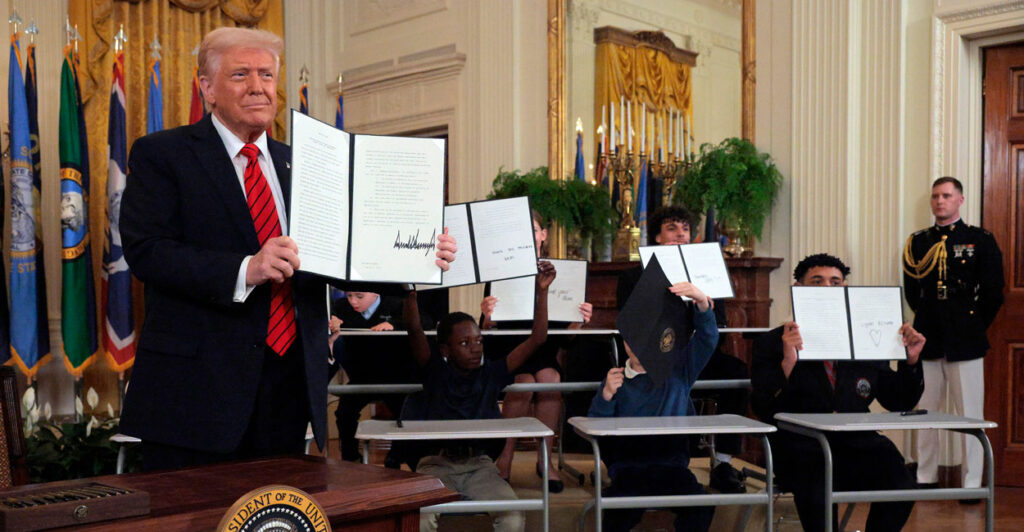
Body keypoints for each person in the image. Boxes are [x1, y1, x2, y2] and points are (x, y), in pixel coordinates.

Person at [118, 27, 457, 471]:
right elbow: (148, 251)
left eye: (266, 75)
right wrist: (246, 268)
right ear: (207, 87)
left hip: (289, 384)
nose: (257, 87)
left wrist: (415, 255)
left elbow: (342, 255)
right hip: (196, 394)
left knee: (280, 515)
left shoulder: (305, 163)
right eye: (240, 75)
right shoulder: (162, 154)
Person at [751, 253, 927, 532]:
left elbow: (899, 400)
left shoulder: (864, 340)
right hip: (801, 445)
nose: (826, 289)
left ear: (845, 291)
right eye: (816, 282)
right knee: (817, 486)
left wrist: (911, 362)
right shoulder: (772, 342)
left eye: (835, 283)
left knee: (900, 480)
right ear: (799, 289)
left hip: (856, 442)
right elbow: (763, 405)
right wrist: (788, 362)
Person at [403, 261, 556, 532]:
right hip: (436, 465)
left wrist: (542, 292)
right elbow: (415, 330)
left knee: (512, 515)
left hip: (480, 466)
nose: (474, 349)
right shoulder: (434, 371)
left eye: (478, 341)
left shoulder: (492, 373)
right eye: (464, 343)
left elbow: (538, 339)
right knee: (420, 517)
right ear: (445, 350)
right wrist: (410, 293)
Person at [615, 205, 749, 493]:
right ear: (658, 237)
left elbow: (720, 325)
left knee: (738, 372)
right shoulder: (633, 275)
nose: (680, 234)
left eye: (685, 228)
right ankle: (645, 462)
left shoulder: (709, 270)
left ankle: (723, 461)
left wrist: (700, 304)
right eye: (672, 228)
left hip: (697, 354)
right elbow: (628, 324)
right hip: (653, 357)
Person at [589, 281, 718, 532]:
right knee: (619, 512)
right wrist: (606, 395)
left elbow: (707, 339)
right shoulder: (616, 379)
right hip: (628, 468)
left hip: (671, 466)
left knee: (702, 505)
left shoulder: (677, 371)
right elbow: (595, 427)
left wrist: (702, 302)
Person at [903, 176, 1004, 495]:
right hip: (928, 336)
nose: (939, 201)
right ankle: (925, 476)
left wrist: (972, 325)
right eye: (935, 196)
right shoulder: (918, 242)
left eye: (946, 195)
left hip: (966, 338)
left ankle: (972, 482)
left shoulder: (980, 240)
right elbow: (912, 292)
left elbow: (993, 292)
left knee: (970, 414)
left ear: (960, 200)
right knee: (925, 411)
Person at [479, 209, 593, 492]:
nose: (528, 236)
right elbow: (487, 330)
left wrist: (579, 322)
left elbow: (565, 341)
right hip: (509, 350)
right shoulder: (500, 272)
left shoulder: (561, 272)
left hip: (544, 351)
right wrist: (486, 315)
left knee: (550, 379)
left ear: (543, 235)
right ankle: (504, 458)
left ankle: (546, 460)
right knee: (525, 383)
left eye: (532, 230)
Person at [329, 292, 417, 463]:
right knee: (344, 412)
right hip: (362, 376)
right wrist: (331, 322)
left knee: (404, 413)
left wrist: (395, 325)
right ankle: (350, 457)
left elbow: (424, 321)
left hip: (396, 376)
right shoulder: (340, 306)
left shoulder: (397, 303)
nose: (353, 302)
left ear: (376, 293)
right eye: (349, 296)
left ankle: (396, 457)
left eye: (359, 297)